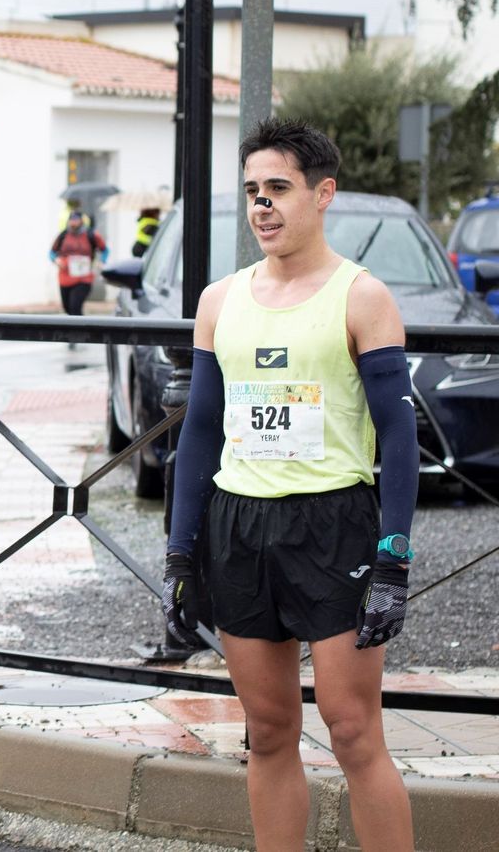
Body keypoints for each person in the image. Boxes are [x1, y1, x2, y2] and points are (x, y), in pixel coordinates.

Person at [163, 119, 417, 850]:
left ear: (322, 193)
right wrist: (182, 554)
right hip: (240, 527)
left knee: (350, 728)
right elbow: (201, 431)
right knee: (269, 730)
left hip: (334, 525)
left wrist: (394, 555)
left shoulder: (361, 296)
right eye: (252, 192)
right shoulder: (221, 301)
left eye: (278, 189)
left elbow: (398, 436)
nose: (262, 207)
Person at [49, 209, 108, 328]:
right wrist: (56, 260)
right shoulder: (63, 235)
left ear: (81, 221)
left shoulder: (91, 235)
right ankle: (78, 330)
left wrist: (101, 261)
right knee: (68, 308)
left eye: (76, 220)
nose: (73, 223)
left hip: (83, 278)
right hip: (65, 278)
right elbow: (52, 252)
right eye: (71, 220)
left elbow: (104, 250)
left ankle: (78, 333)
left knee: (75, 306)